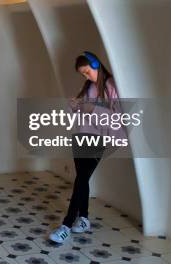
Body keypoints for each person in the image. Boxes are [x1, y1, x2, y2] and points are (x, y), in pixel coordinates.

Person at [48, 51, 121, 243]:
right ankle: (84, 219)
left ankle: (66, 225)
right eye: (83, 74)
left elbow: (117, 118)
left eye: (87, 72)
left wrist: (92, 108)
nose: (86, 77)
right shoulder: (88, 86)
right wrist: (74, 106)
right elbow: (81, 114)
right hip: (81, 136)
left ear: (96, 65)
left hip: (98, 139)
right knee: (82, 179)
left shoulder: (111, 86)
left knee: (80, 179)